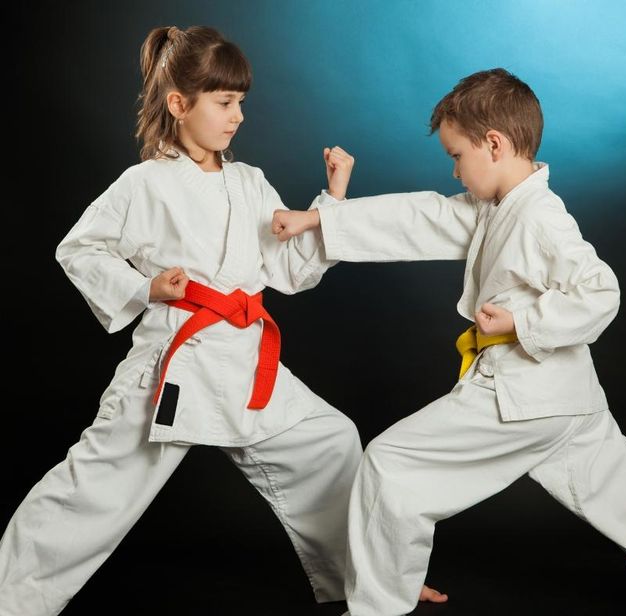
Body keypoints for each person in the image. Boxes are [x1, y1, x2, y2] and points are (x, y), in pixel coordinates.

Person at [272, 68, 626, 615]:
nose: (454, 169)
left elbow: (601, 291)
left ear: (493, 144)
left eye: (456, 156)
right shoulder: (497, 207)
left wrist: (520, 324)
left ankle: (377, 607)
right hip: (569, 403)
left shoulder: (539, 216)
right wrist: (320, 222)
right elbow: (418, 217)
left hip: (524, 398)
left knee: (389, 465)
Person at [0, 25, 365, 615]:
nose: (237, 116)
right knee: (92, 493)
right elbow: (79, 248)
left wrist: (334, 201)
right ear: (179, 104)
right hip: (174, 365)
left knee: (330, 442)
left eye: (240, 102)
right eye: (224, 103)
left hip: (245, 364)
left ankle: (367, 584)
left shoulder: (249, 183)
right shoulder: (145, 183)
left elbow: (291, 270)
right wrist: (145, 286)